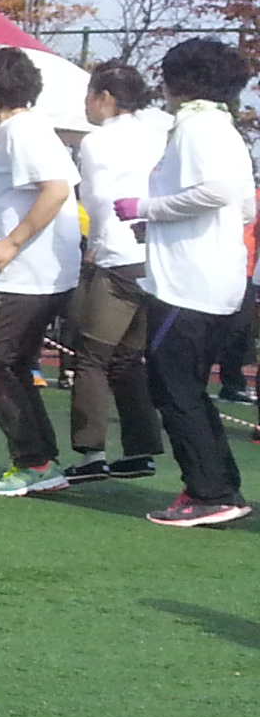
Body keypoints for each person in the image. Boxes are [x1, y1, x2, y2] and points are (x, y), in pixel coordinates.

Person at [128, 37, 256, 526]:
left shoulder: (197, 126)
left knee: (174, 389)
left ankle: (210, 492)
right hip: (217, 278)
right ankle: (216, 486)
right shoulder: (225, 128)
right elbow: (241, 205)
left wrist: (149, 210)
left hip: (187, 281)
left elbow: (219, 192)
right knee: (188, 390)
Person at [0, 46, 85, 495]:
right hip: (33, 270)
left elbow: (55, 188)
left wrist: (10, 244)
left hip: (27, 273)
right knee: (9, 364)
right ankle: (40, 459)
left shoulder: (19, 130)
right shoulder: (27, 130)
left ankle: (35, 462)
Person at [67, 58, 170, 484]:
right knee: (129, 357)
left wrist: (94, 245)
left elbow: (98, 199)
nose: (87, 105)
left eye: (90, 96)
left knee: (91, 356)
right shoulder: (159, 134)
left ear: (105, 98)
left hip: (116, 253)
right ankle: (141, 448)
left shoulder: (98, 142)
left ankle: (91, 452)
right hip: (154, 254)